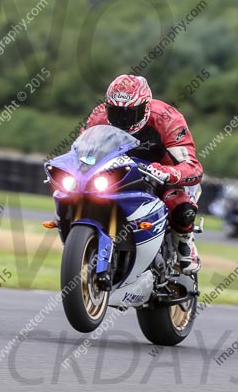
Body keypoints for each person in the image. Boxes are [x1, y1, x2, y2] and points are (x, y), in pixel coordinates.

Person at [83, 74, 203, 274]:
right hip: (114, 170)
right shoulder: (99, 116)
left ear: (146, 107)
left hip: (158, 172)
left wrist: (169, 173)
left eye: (130, 113)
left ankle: (184, 242)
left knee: (182, 209)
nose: (122, 119)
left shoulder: (168, 118)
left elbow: (192, 166)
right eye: (116, 112)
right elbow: (81, 150)